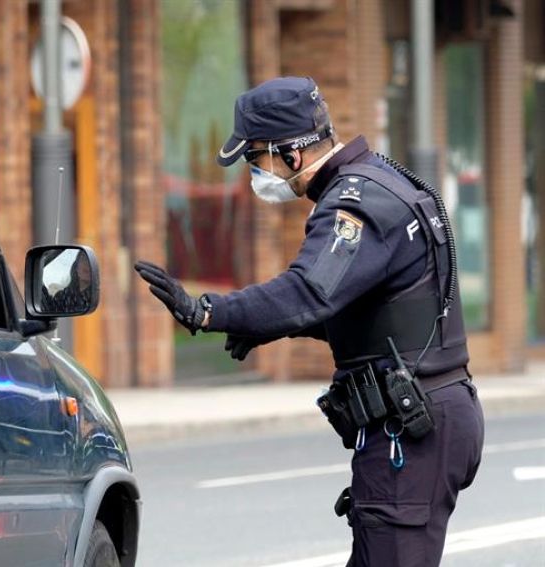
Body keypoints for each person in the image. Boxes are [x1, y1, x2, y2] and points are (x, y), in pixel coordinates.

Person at [135, 77, 484, 566]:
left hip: (412, 430)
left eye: (255, 160)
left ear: (290, 156)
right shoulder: (382, 179)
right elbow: (372, 307)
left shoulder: (354, 205)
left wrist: (208, 311)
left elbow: (309, 290)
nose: (255, 174)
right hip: (425, 415)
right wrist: (263, 326)